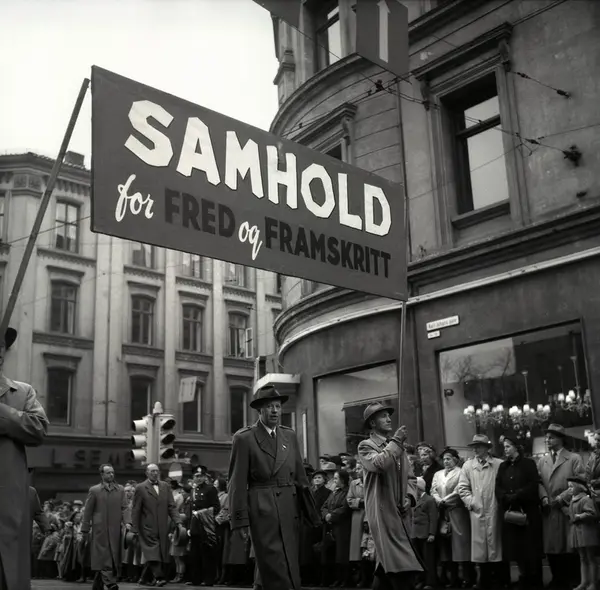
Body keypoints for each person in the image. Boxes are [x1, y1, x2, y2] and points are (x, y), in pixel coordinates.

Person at [228, 386, 311, 590]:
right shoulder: (244, 438)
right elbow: (237, 482)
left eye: (277, 406)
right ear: (259, 410)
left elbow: (300, 475)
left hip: (288, 507)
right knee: (275, 563)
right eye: (269, 406)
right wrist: (240, 520)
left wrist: (310, 511)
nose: (274, 410)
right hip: (262, 507)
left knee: (286, 561)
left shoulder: (289, 436)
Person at [0, 326, 49, 590]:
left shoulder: (22, 392)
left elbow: (39, 428)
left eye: (2, 345)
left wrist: (2, 413)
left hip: (8, 512)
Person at [357, 402, 423, 590]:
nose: (388, 419)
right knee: (402, 565)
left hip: (401, 513)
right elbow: (379, 464)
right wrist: (396, 441)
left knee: (389, 565)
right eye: (383, 416)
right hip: (383, 513)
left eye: (389, 415)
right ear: (372, 423)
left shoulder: (396, 446)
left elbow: (411, 478)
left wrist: (409, 498)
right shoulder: (366, 446)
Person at [537, 423, 585, 589]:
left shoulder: (574, 458)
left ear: (560, 439)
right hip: (549, 510)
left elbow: (580, 483)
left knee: (569, 546)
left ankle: (573, 579)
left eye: (551, 437)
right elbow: (539, 482)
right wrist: (544, 497)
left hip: (566, 508)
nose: (547, 440)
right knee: (552, 547)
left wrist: (561, 498)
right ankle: (556, 579)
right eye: (547, 437)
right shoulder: (542, 461)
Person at [495, 433, 544, 590]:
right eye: (504, 447)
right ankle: (523, 576)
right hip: (511, 513)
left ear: (516, 447)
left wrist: (518, 495)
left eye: (508, 446)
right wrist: (505, 497)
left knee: (530, 548)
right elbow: (498, 486)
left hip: (527, 511)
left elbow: (533, 484)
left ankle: (534, 579)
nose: (505, 449)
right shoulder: (503, 466)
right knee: (515, 548)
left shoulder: (528, 464)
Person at [457, 434, 505, 590]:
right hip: (477, 511)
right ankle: (483, 580)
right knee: (480, 548)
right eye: (474, 446)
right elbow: (462, 488)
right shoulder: (468, 466)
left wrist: (501, 502)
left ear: (486, 448)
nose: (475, 449)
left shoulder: (499, 464)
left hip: (495, 509)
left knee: (496, 546)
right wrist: (472, 502)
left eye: (478, 446)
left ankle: (499, 580)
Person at [80, 463, 131, 590]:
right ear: (102, 474)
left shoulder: (120, 489)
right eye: (108, 473)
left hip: (115, 529)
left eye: (113, 472)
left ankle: (97, 586)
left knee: (112, 557)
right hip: (100, 530)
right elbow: (88, 511)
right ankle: (110, 583)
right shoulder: (94, 490)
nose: (111, 475)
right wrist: (85, 528)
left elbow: (125, 508)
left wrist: (128, 522)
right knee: (103, 556)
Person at [131, 464, 181, 587]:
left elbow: (171, 506)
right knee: (153, 551)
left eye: (156, 471)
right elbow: (136, 509)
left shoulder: (165, 486)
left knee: (158, 552)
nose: (155, 473)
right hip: (147, 526)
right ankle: (159, 577)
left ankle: (144, 578)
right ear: (146, 473)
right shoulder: (140, 488)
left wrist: (178, 521)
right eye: (152, 471)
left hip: (163, 526)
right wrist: (134, 527)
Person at [431, 447, 473, 588]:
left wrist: (445, 500)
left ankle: (467, 577)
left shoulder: (461, 472)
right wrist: (438, 500)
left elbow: (459, 490)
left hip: (457, 511)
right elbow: (433, 490)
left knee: (461, 545)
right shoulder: (438, 474)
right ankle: (453, 578)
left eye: (449, 459)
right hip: (443, 513)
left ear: (455, 459)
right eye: (444, 459)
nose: (446, 461)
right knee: (446, 546)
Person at [187, 465, 220, 586]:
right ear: (193, 477)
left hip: (206, 525)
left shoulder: (210, 489)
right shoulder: (193, 490)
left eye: (201, 476)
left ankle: (208, 579)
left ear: (205, 477)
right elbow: (191, 510)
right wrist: (189, 526)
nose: (199, 478)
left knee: (207, 554)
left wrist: (201, 513)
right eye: (196, 476)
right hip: (195, 525)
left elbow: (216, 507)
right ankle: (196, 579)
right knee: (194, 553)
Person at [566, 476, 599, 590]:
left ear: (578, 487)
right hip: (578, 532)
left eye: (571, 487)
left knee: (590, 558)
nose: (569, 489)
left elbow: (592, 513)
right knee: (583, 558)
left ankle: (593, 583)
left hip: (587, 532)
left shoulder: (585, 499)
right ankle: (584, 582)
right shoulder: (573, 500)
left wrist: (580, 516)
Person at [321, 470, 352, 587]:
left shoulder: (347, 491)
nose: (334, 480)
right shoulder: (334, 492)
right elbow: (324, 506)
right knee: (333, 553)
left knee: (342, 554)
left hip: (342, 526)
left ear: (342, 479)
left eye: (336, 478)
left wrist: (332, 515)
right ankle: (336, 578)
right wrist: (325, 515)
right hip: (331, 526)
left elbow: (345, 507)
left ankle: (344, 579)